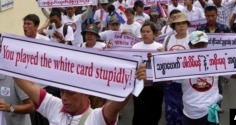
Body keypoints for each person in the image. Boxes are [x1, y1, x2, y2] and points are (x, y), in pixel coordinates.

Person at [12, 64, 146, 125]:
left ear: (86, 93)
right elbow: (28, 86)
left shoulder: (97, 117)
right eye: (62, 91)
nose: (64, 97)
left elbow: (118, 103)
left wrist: (133, 80)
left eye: (70, 93)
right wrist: (7, 60)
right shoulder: (54, 106)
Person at [179, 31, 236, 125]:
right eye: (197, 45)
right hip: (190, 111)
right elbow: (168, 80)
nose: (200, 48)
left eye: (203, 44)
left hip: (210, 110)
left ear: (207, 45)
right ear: (190, 45)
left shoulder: (215, 61)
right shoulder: (181, 63)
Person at [132, 22, 163, 125]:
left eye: (148, 31)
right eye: (143, 32)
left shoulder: (160, 47)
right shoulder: (135, 47)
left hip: (155, 87)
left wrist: (159, 56)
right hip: (140, 86)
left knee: (154, 113)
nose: (145, 34)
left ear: (154, 33)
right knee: (139, 113)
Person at [162, 12, 191, 125]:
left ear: (187, 25)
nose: (181, 26)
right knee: (171, 112)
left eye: (183, 23)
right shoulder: (168, 39)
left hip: (187, 83)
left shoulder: (192, 39)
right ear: (174, 26)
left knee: (185, 111)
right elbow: (163, 57)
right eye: (178, 24)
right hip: (171, 83)